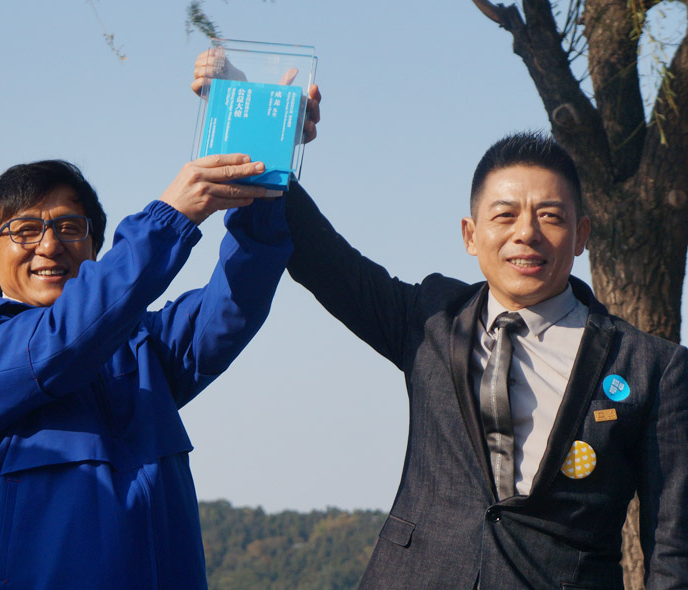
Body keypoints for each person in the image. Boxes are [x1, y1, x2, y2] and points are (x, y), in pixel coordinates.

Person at [281, 132, 688, 589]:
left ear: (581, 236)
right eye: (505, 215)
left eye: (550, 216)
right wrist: (269, 135)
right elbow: (321, 259)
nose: (526, 233)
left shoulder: (652, 368)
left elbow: (673, 547)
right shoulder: (430, 317)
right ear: (471, 235)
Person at [0, 155, 293, 589]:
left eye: (69, 227)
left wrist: (261, 177)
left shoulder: (142, 344)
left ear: (94, 252)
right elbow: (62, 340)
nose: (49, 245)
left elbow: (233, 305)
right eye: (25, 230)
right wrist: (169, 218)